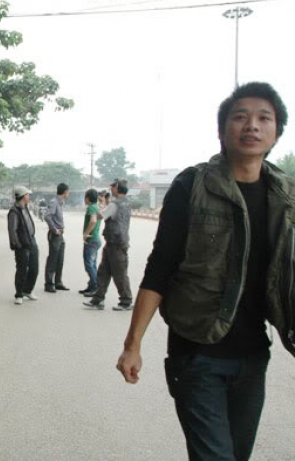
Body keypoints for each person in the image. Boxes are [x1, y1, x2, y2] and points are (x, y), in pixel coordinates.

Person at [116, 82, 295, 461]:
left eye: (265, 118)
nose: (252, 126)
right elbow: (160, 268)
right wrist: (133, 346)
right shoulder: (191, 185)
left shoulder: (286, 195)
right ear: (222, 129)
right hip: (197, 355)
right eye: (240, 117)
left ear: (277, 132)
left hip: (253, 357)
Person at [83, 178, 133, 310]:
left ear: (117, 187)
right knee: (103, 272)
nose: (111, 189)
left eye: (112, 187)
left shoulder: (114, 204)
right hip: (115, 242)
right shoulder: (127, 202)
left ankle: (126, 301)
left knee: (120, 274)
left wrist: (100, 204)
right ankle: (98, 299)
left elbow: (100, 216)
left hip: (115, 243)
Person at [7, 186, 39, 305]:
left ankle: (28, 290)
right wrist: (18, 245)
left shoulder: (25, 207)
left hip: (32, 241)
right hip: (22, 245)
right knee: (22, 270)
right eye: (27, 194)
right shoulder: (14, 211)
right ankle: (19, 294)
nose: (29, 196)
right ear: (23, 196)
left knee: (34, 268)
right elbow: (12, 230)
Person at [44, 183, 70, 292]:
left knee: (60, 259)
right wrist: (54, 229)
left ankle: (58, 282)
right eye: (68, 191)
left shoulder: (60, 202)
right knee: (53, 259)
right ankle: (49, 284)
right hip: (55, 234)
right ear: (64, 191)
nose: (69, 193)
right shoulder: (54, 202)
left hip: (60, 235)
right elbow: (47, 216)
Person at [80, 189, 102, 296]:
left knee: (89, 265)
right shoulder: (96, 207)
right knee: (92, 265)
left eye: (85, 197)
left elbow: (93, 221)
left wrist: (85, 234)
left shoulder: (92, 207)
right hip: (95, 240)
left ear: (88, 198)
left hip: (92, 240)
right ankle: (91, 286)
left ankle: (96, 287)